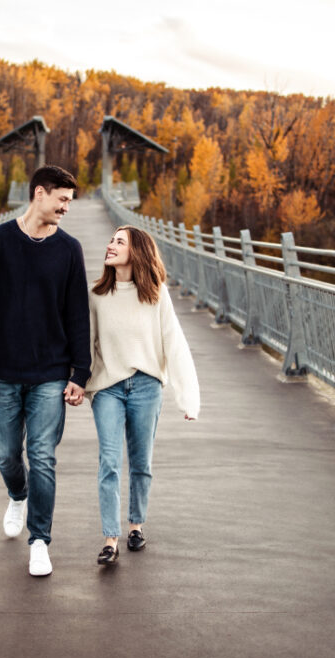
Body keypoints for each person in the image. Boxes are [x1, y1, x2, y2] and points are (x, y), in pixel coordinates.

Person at [0, 165, 90, 577]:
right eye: (63, 199)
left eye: (70, 202)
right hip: (2, 371)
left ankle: (40, 540)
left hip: (51, 374)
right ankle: (17, 495)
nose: (67, 207)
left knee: (42, 456)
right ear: (40, 193)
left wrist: (80, 372)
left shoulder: (69, 249)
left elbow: (77, 315)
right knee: (5, 454)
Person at [85, 225, 200, 566]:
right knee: (109, 462)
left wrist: (188, 397)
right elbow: (86, 344)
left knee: (141, 462)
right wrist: (76, 382)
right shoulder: (95, 294)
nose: (110, 246)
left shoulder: (156, 294)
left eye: (119, 242)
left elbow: (174, 344)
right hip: (107, 387)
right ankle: (110, 538)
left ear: (136, 252)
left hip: (147, 386)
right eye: (110, 240)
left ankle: (135, 525)